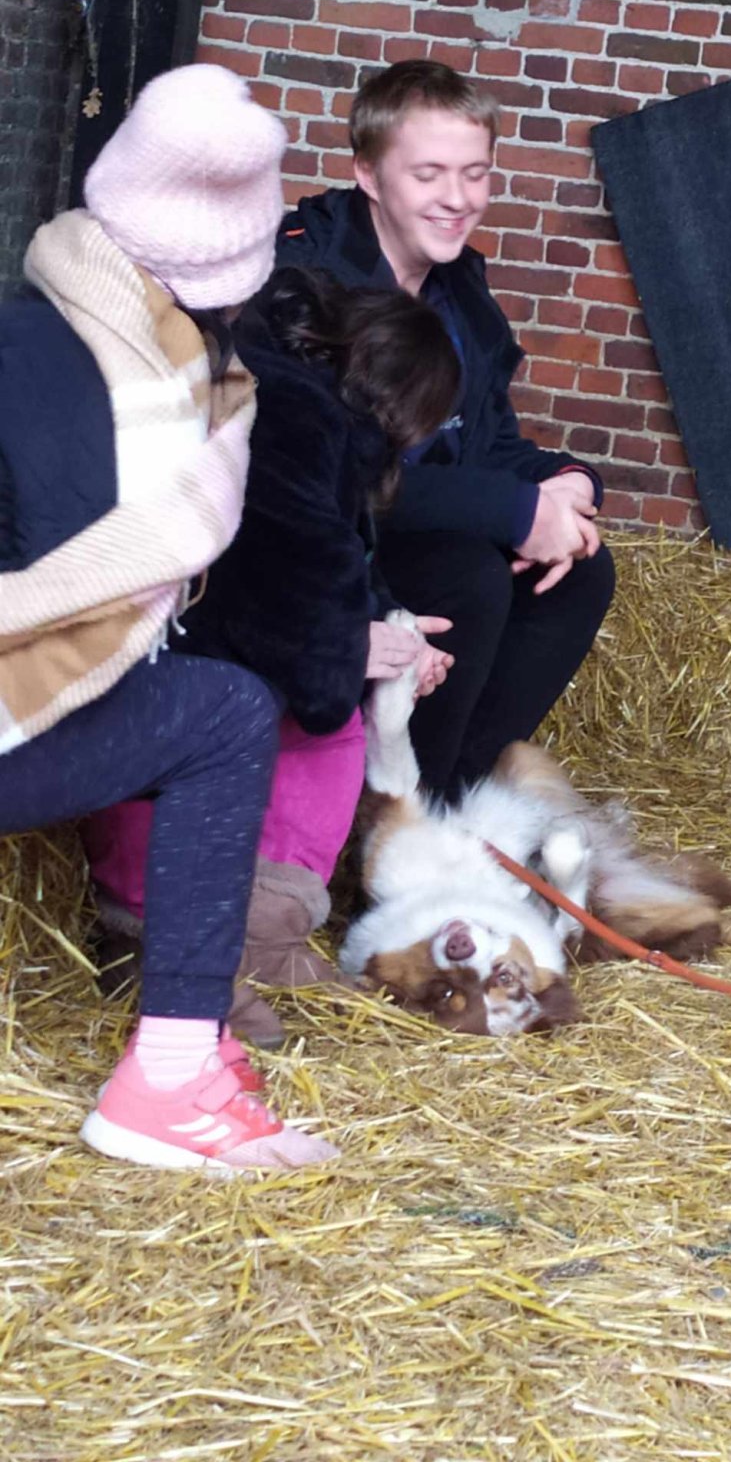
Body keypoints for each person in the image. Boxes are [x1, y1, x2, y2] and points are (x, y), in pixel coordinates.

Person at [0, 63, 338, 1172]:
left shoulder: (25, 331)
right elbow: (75, 587)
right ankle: (173, 1074)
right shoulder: (172, 405)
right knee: (229, 713)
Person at [80, 266, 462, 1047]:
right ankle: (227, 937)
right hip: (168, 678)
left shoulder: (288, 394)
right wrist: (355, 650)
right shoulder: (302, 429)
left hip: (149, 660)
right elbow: (304, 619)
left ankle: (190, 931)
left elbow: (333, 565)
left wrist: (384, 621)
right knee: (317, 727)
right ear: (404, 407)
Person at [275, 59, 616, 802]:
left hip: (416, 520)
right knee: (471, 573)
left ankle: (455, 803)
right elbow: (325, 475)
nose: (458, 200)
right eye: (430, 174)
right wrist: (512, 512)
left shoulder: (458, 286)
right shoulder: (308, 281)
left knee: (580, 571)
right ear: (368, 172)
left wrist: (561, 482)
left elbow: (484, 440)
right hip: (322, 541)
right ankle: (388, 818)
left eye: (476, 174)